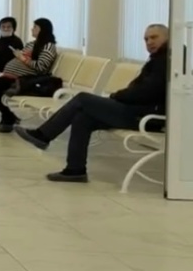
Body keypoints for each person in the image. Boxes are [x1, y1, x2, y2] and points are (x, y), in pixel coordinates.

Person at [15, 24, 170, 183]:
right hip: (136, 111)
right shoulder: (159, 59)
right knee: (83, 118)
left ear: (168, 37)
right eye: (146, 39)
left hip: (145, 116)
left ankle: (43, 135)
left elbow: (146, 92)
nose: (149, 42)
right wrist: (120, 96)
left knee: (82, 99)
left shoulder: (166, 61)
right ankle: (75, 170)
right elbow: (141, 90)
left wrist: (117, 95)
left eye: (154, 37)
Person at [0, 17, 59, 133]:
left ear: (43, 30)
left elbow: (41, 67)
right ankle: (8, 116)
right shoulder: (31, 44)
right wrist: (18, 56)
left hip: (22, 80)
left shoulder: (48, 46)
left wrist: (21, 58)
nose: (32, 29)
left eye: (35, 27)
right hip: (9, 76)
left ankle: (7, 117)